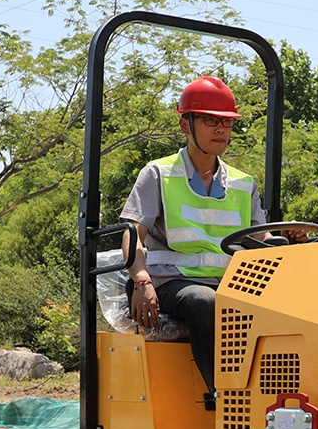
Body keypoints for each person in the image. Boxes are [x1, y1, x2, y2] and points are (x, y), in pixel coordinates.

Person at [120, 76, 301, 410]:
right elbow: (133, 232)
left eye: (226, 122)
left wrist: (285, 240)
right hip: (170, 283)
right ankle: (227, 400)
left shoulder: (243, 184)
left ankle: (287, 403)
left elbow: (262, 238)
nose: (221, 129)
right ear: (185, 125)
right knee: (206, 303)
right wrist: (141, 281)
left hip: (229, 284)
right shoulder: (158, 174)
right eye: (209, 120)